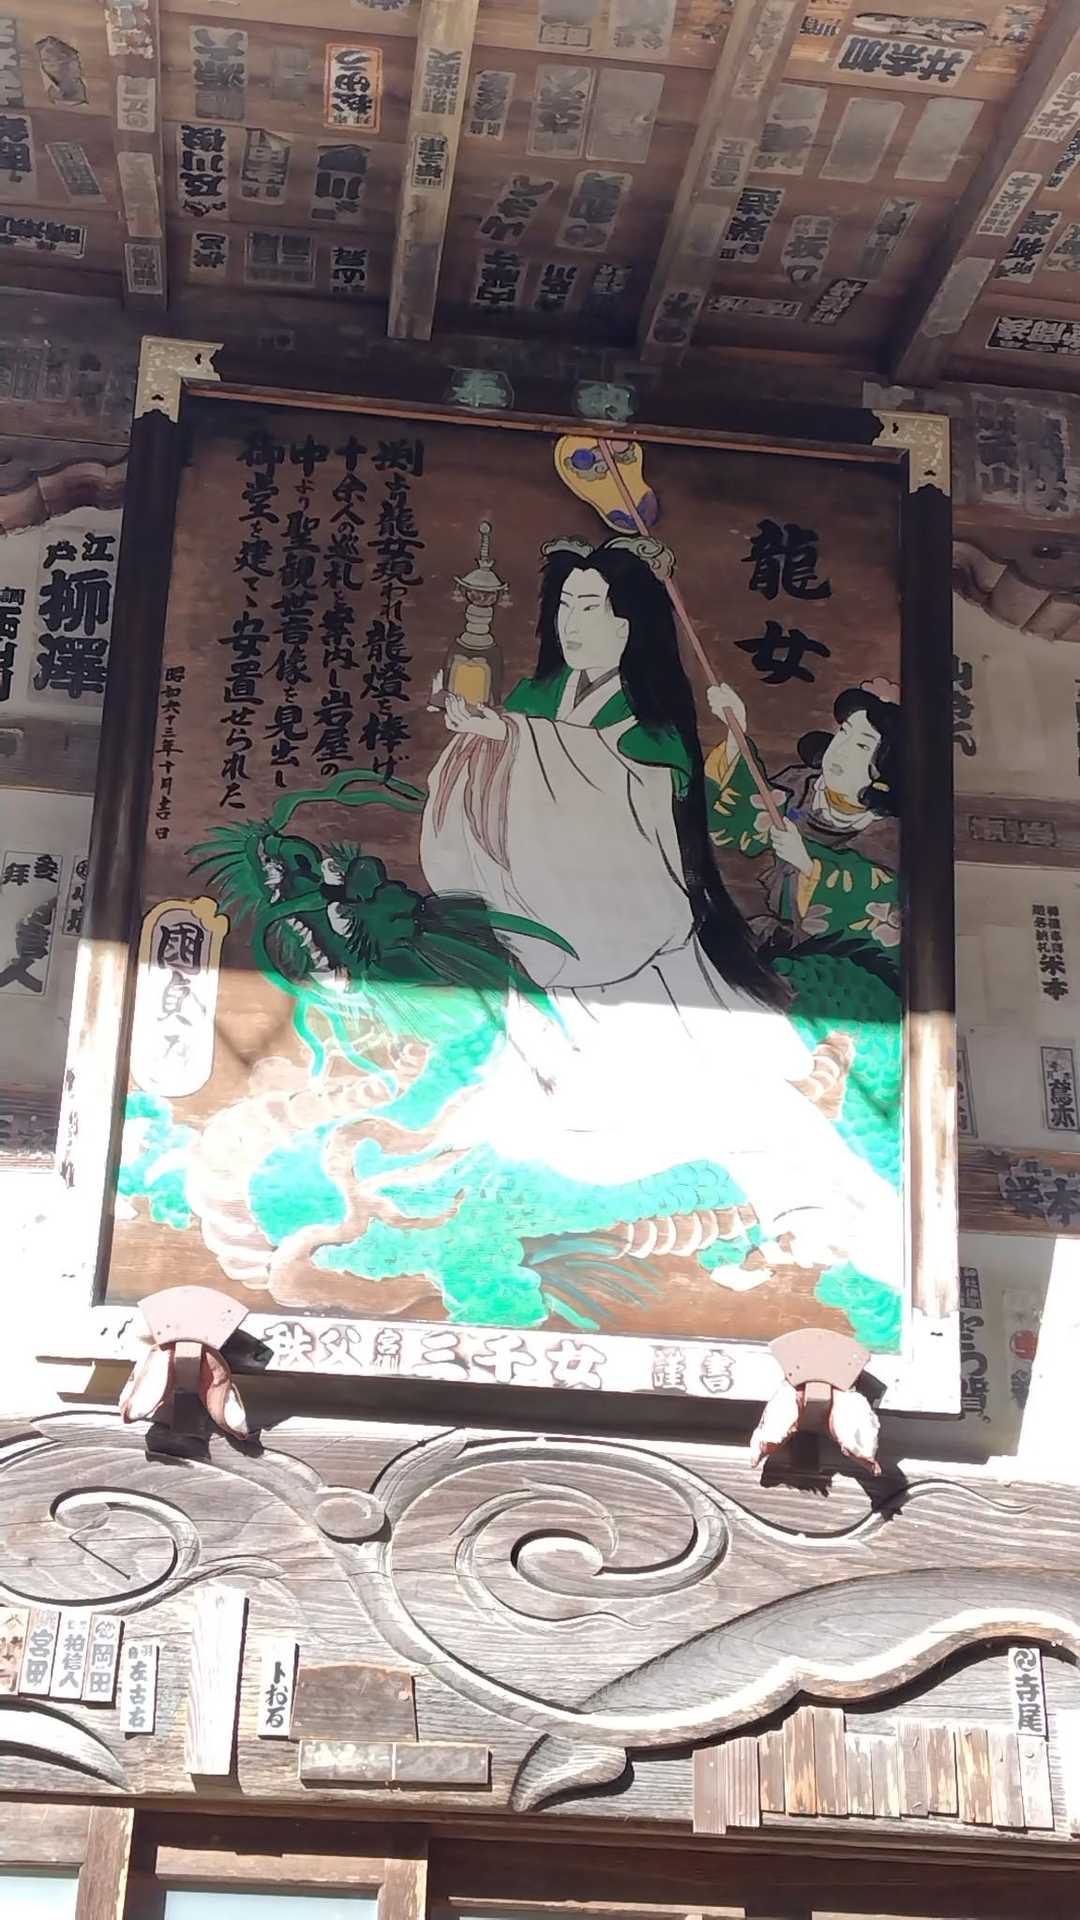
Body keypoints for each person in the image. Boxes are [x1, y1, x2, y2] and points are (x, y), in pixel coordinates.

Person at [420, 534, 902, 1291]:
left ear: (630, 622)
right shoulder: (540, 698)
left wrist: (514, 737)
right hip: (549, 915)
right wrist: (497, 737)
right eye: (565, 606)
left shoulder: (648, 718)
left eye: (591, 607)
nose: (573, 623)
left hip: (635, 934)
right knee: (596, 1080)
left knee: (721, 1091)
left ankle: (824, 1215)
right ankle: (801, 1213)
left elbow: (646, 791)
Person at [705, 678, 901, 962]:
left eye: (861, 745)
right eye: (843, 732)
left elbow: (882, 898)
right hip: (775, 935)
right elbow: (744, 820)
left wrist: (808, 864)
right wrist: (736, 733)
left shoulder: (889, 834)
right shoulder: (800, 786)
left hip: (840, 961)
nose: (840, 749)